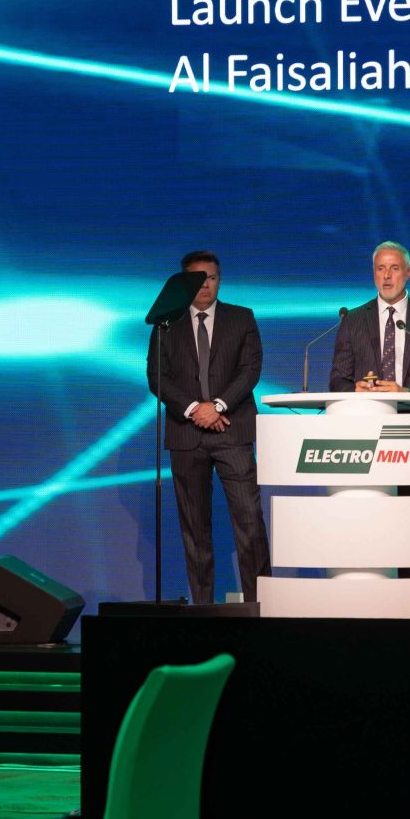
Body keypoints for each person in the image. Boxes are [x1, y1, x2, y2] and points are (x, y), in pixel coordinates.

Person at [146, 250, 270, 606]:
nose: (205, 285)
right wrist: (192, 410)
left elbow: (250, 369)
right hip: (186, 435)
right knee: (194, 527)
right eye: (197, 279)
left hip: (232, 431)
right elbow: (156, 376)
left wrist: (216, 406)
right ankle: (202, 609)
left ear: (220, 280)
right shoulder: (165, 323)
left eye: (211, 278)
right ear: (184, 283)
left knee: (249, 521)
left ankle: (259, 606)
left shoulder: (241, 318)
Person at [328, 241, 410, 395]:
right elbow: (338, 380)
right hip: (366, 408)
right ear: (374, 273)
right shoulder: (352, 320)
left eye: (394, 268)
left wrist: (407, 392)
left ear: (408, 272)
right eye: (380, 268)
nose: (386, 276)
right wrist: (356, 391)